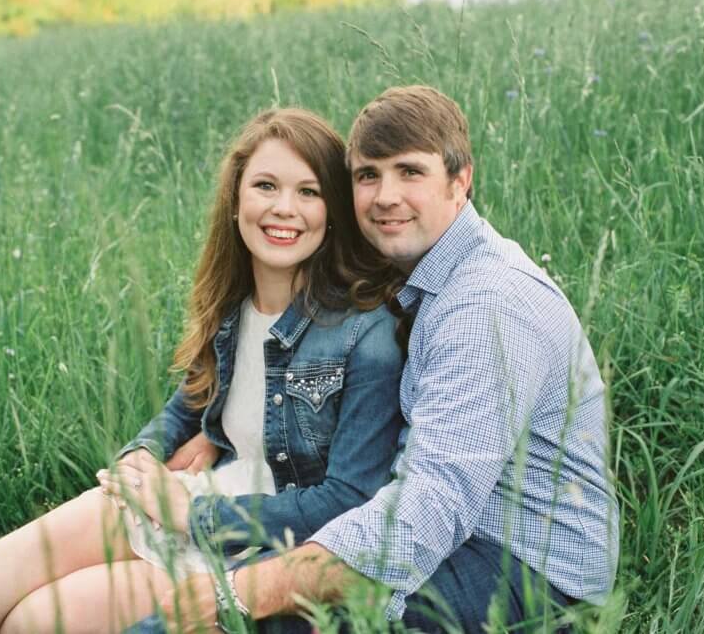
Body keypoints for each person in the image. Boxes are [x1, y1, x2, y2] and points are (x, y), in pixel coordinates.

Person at [0, 108, 407, 634]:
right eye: (266, 186)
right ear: (235, 201)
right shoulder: (234, 307)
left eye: (308, 191)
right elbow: (191, 399)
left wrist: (194, 513)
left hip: (255, 549)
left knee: (34, 621)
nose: (285, 208)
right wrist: (140, 456)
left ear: (332, 212)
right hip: (187, 503)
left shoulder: (365, 333)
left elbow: (349, 500)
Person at [134, 86, 619, 633]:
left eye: (410, 172)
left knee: (263, 615)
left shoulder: (487, 306)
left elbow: (426, 512)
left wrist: (243, 590)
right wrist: (214, 429)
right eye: (368, 175)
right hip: (454, 533)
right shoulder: (423, 276)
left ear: (460, 181)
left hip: (526, 571)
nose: (385, 195)